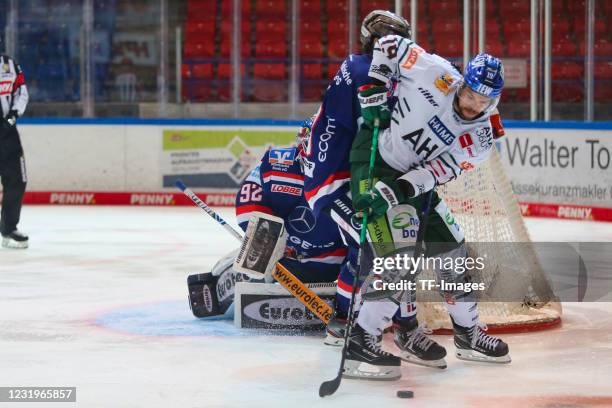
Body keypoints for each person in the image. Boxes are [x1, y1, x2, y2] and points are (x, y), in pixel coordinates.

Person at [344, 33, 511, 380]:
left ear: (493, 102)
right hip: (377, 158)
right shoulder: (433, 72)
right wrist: (374, 86)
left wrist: (394, 192)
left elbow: (436, 172)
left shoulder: (480, 139)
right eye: (470, 94)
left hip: (411, 183)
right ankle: (360, 338)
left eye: (483, 101)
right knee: (401, 259)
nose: (472, 104)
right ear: (462, 82)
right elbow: (389, 42)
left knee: (453, 252)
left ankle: (468, 334)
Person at [301, 10, 449, 370]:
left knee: (398, 245)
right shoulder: (365, 69)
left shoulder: (360, 65)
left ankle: (396, 326)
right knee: (385, 248)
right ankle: (350, 325)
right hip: (335, 181)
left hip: (355, 174)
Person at [188, 122, 351, 319]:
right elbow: (250, 194)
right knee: (254, 264)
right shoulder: (279, 162)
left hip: (326, 261)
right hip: (279, 249)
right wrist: (265, 236)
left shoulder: (353, 180)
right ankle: (222, 285)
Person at [0, 54, 29, 249]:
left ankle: (8, 229)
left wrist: (13, 115)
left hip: (6, 131)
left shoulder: (9, 64)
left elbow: (22, 92)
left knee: (18, 179)